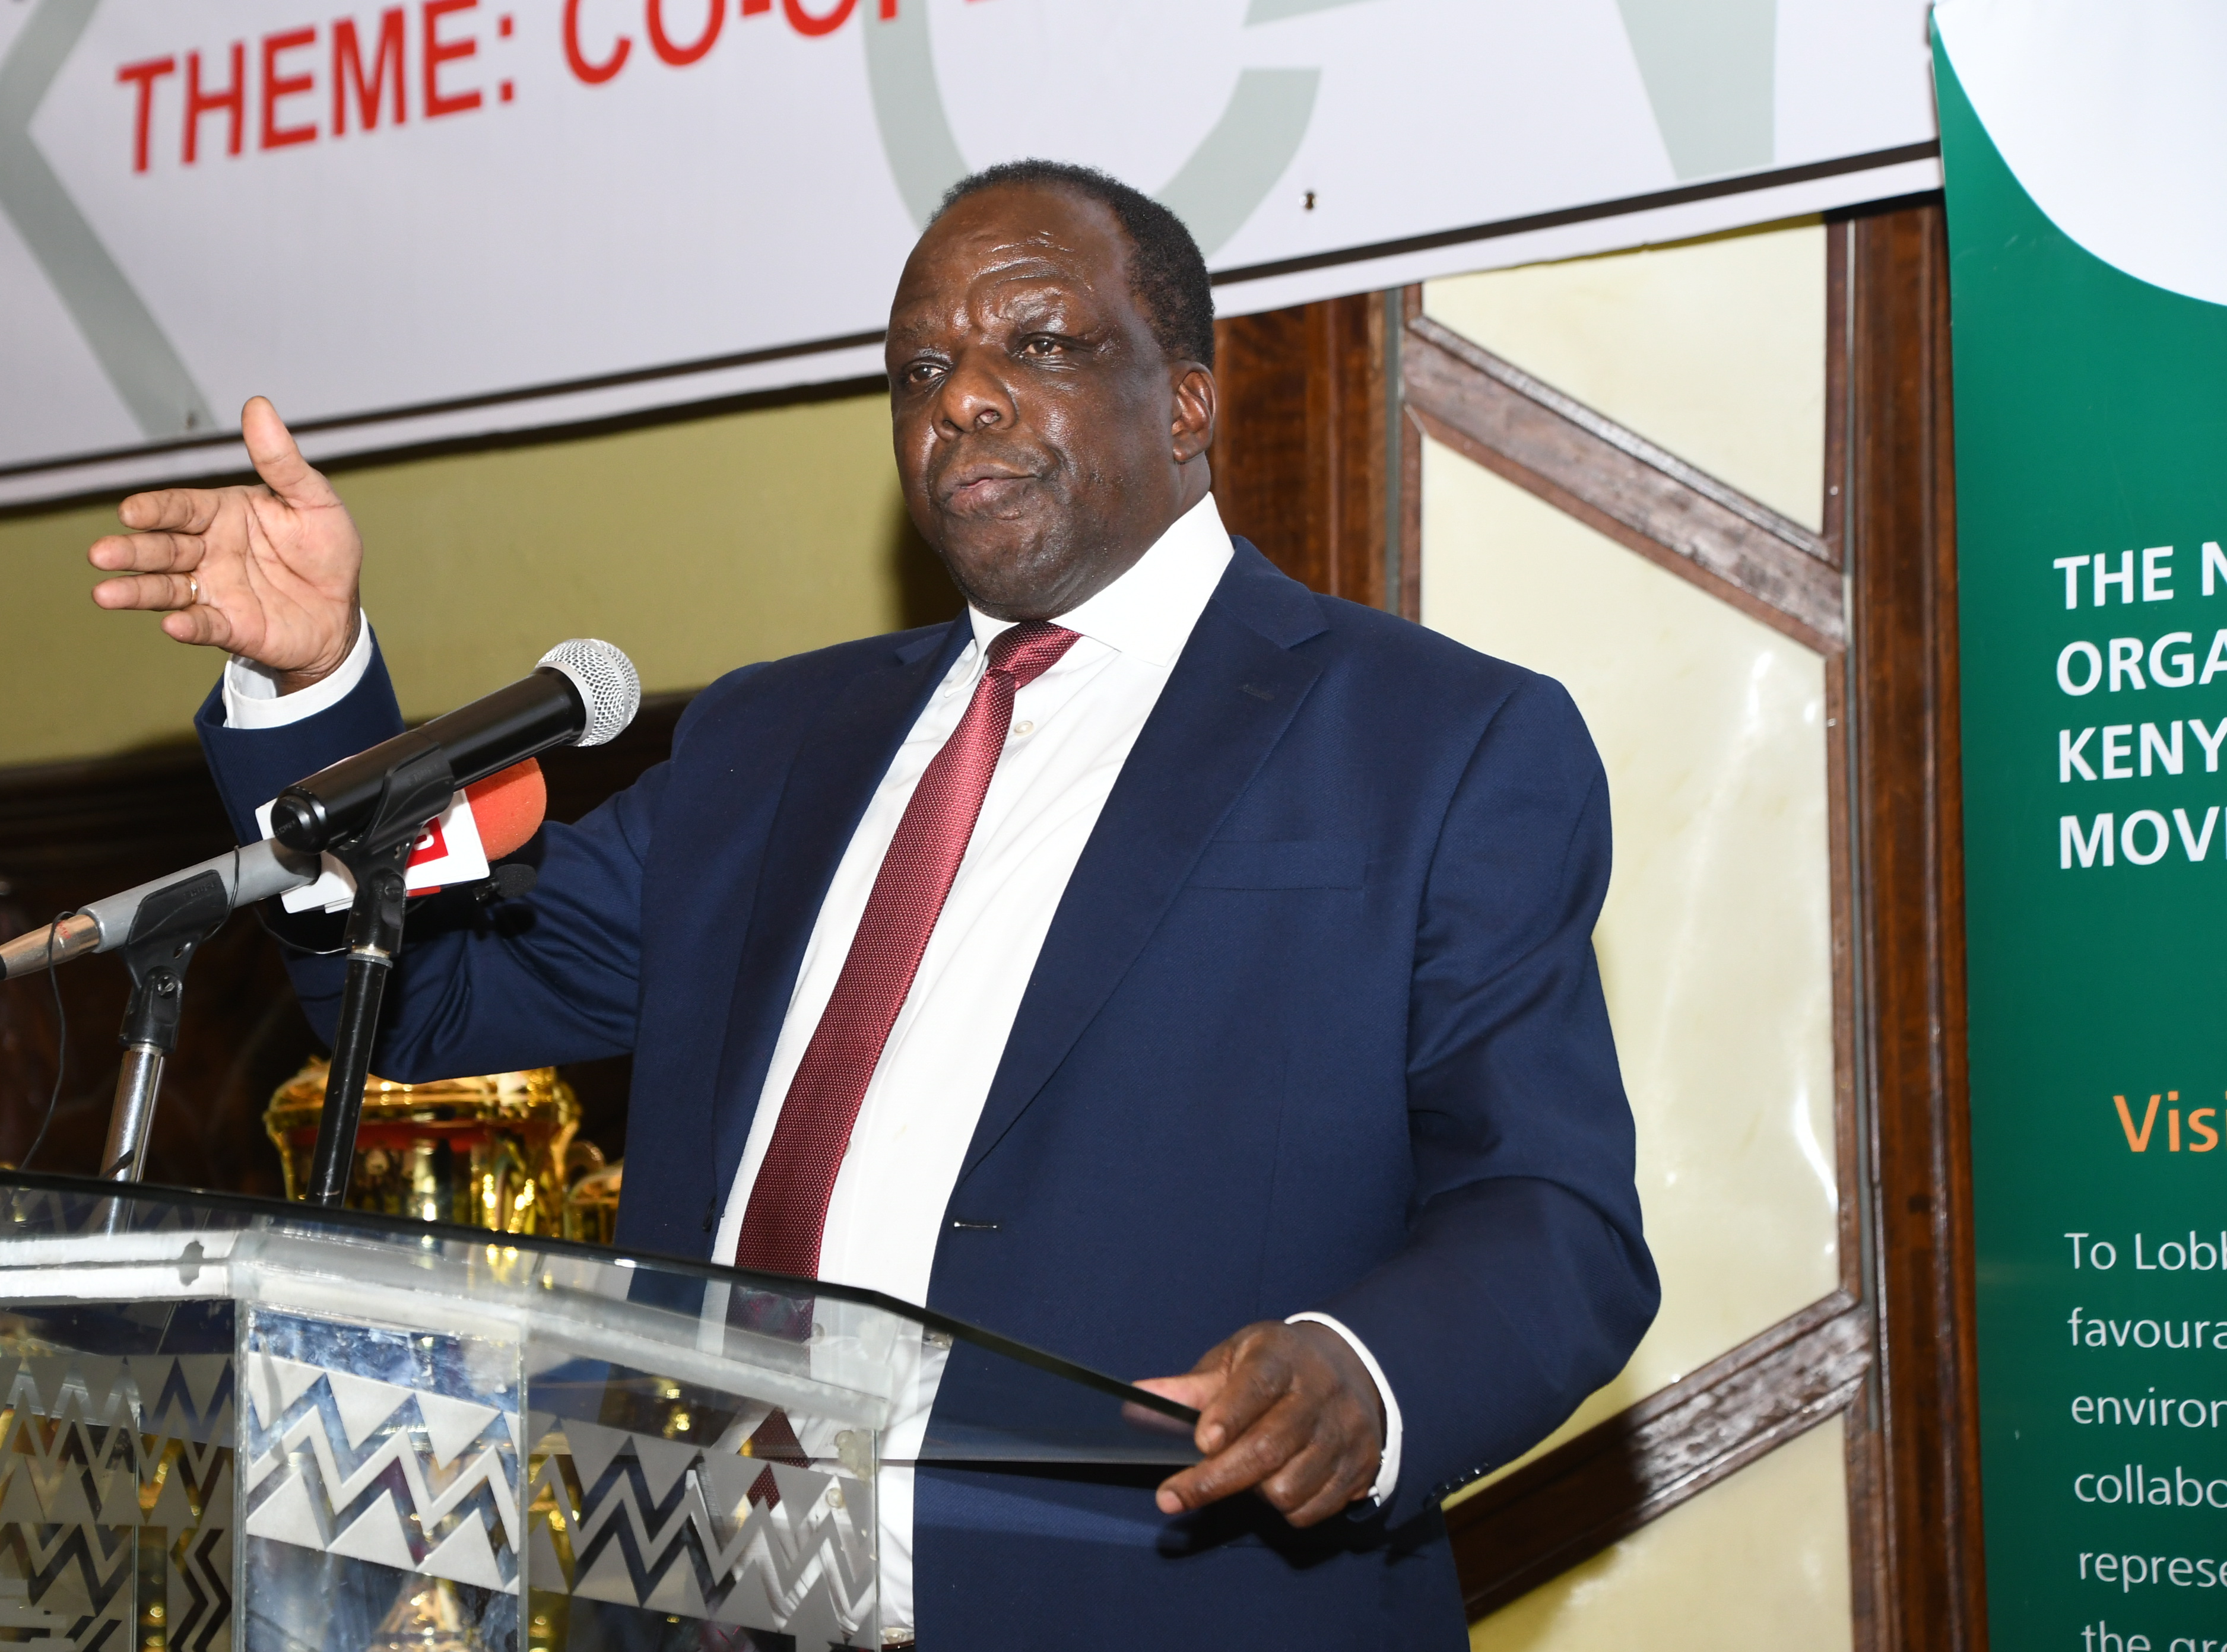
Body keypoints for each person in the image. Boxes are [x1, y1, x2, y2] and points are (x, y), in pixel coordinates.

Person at [89, 159, 1655, 1647]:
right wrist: (316, 687)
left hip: (1163, 1606)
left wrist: (1367, 1376)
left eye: (1039, 343)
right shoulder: (774, 739)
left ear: (1187, 402)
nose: (961, 397)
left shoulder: (1433, 742)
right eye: (919, 370)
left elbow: (1551, 1217)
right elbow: (437, 994)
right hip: (704, 1607)